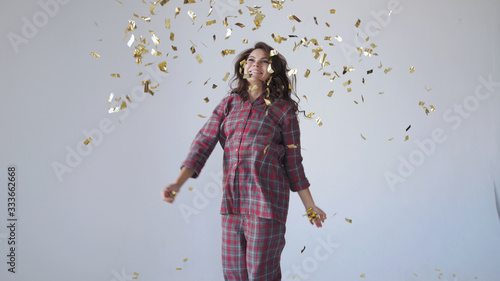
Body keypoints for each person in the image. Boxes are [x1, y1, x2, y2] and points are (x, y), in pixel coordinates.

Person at [161, 41, 327, 281]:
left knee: (262, 275)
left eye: (264, 61)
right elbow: (203, 142)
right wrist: (178, 183)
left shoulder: (283, 110)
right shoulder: (228, 105)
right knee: (233, 275)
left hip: (266, 206)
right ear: (244, 66)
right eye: (251, 60)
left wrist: (310, 206)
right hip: (232, 205)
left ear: (273, 70)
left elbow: (293, 162)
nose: (255, 65)